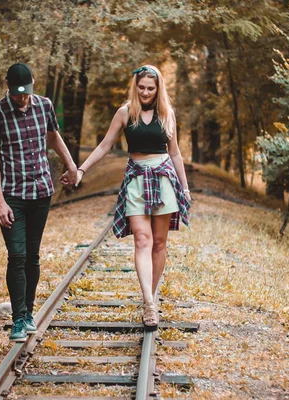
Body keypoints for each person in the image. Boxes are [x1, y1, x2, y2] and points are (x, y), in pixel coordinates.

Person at [62, 65, 191, 331]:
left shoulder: (167, 114)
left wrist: (185, 188)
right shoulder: (125, 113)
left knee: (159, 243)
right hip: (136, 180)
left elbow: (175, 153)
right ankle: (148, 302)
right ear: (135, 86)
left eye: (150, 88)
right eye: (141, 87)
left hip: (164, 179)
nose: (145, 92)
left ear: (158, 89)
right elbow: (104, 146)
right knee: (142, 240)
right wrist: (82, 169)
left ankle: (150, 297)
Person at [0, 63, 78, 341]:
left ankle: (28, 313)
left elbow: (52, 137)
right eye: (16, 94)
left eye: (25, 93)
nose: (22, 99)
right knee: (17, 256)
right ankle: (17, 319)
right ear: (7, 86)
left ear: (33, 85)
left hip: (41, 192)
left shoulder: (44, 106)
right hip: (12, 196)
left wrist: (71, 165)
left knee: (32, 256)